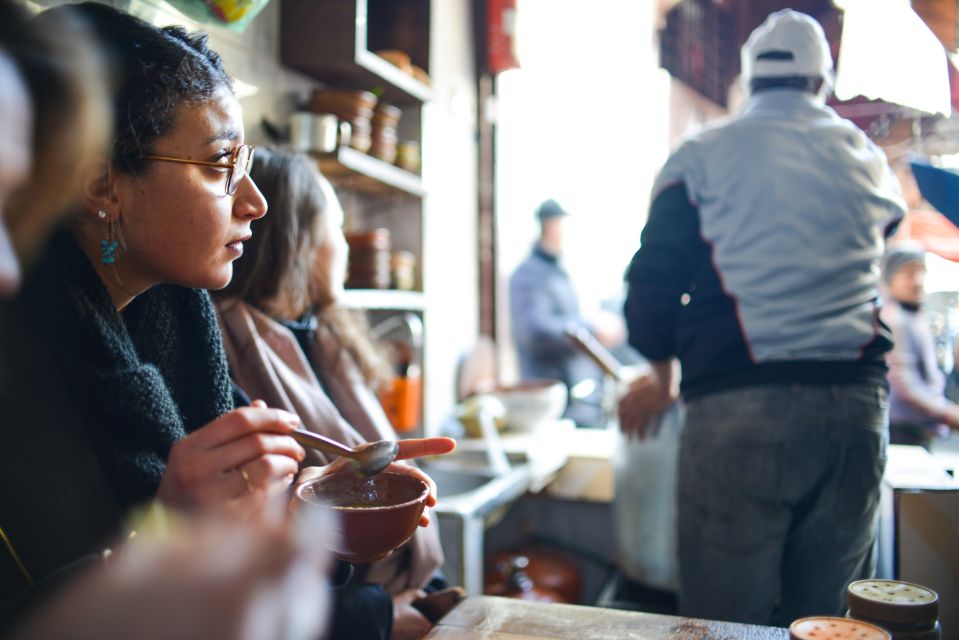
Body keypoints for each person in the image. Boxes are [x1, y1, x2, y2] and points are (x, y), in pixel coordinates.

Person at [0, 4, 453, 635]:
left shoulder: (179, 318)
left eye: (246, 164)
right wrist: (167, 539)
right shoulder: (20, 371)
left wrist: (321, 496)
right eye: (220, 167)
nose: (255, 201)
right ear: (103, 188)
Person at [620, 9, 906, 626]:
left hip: (738, 413)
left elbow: (653, 281)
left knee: (727, 626)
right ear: (822, 83)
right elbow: (881, 245)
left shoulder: (700, 153)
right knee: (828, 624)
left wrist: (663, 382)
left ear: (748, 81)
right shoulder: (865, 157)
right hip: (855, 414)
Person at [215, 148, 446, 640]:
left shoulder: (321, 333)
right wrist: (377, 614)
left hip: (396, 596)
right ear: (298, 240)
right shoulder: (227, 345)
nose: (344, 246)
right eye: (336, 228)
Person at [509, 199, 615, 427]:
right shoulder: (529, 275)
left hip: (577, 400)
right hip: (554, 405)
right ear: (551, 225)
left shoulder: (559, 272)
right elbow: (535, 331)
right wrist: (592, 328)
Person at [880, 244, 959, 449]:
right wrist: (948, 413)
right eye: (908, 273)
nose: (917, 281)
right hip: (903, 429)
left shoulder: (912, 316)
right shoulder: (894, 318)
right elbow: (905, 385)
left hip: (917, 427)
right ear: (891, 279)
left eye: (920, 272)